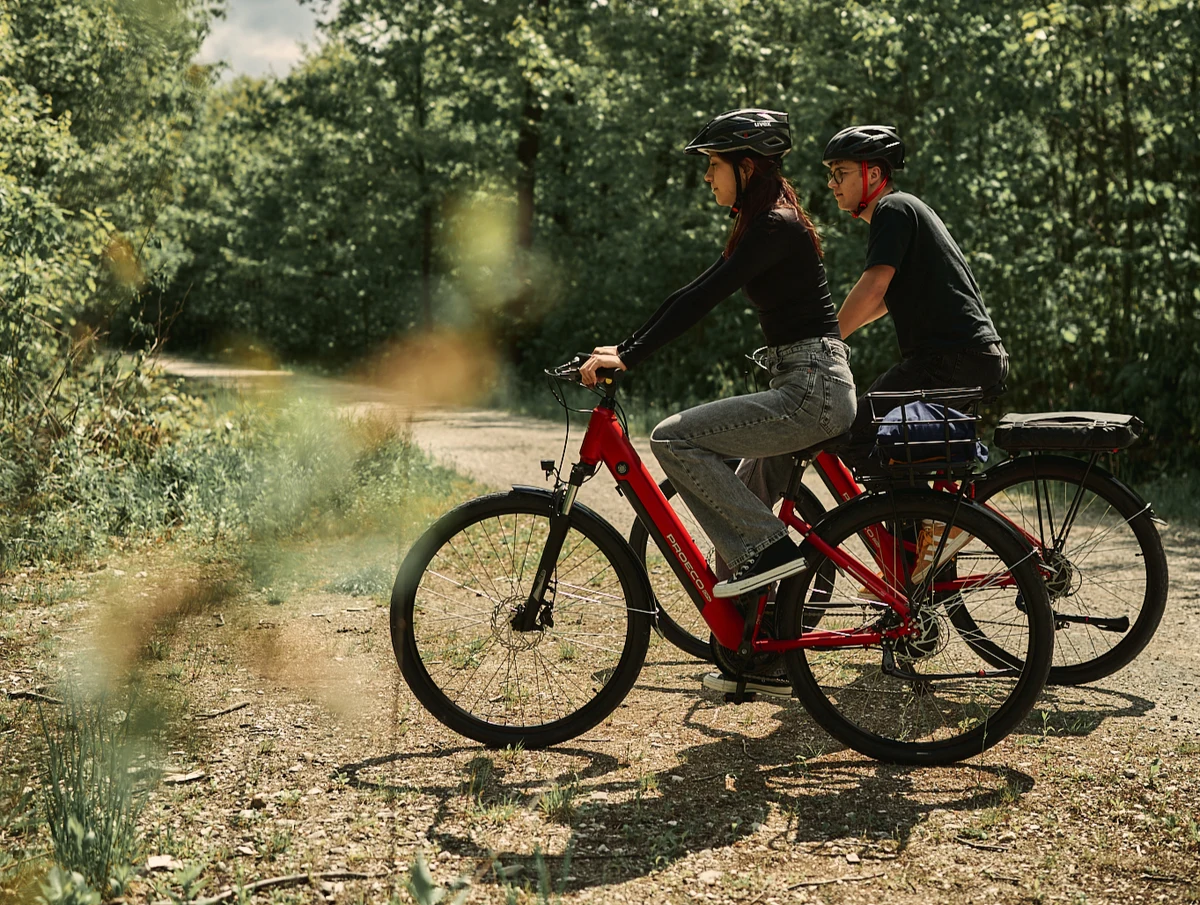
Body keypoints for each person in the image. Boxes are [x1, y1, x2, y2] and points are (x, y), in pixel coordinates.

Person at [579, 109, 857, 664]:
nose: (707, 176)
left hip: (811, 389)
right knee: (741, 514)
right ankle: (759, 656)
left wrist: (628, 355)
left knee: (675, 440)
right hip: (808, 383)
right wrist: (625, 348)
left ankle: (769, 549)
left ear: (746, 166)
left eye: (713, 164)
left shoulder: (775, 224)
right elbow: (694, 290)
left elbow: (701, 299)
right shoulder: (765, 224)